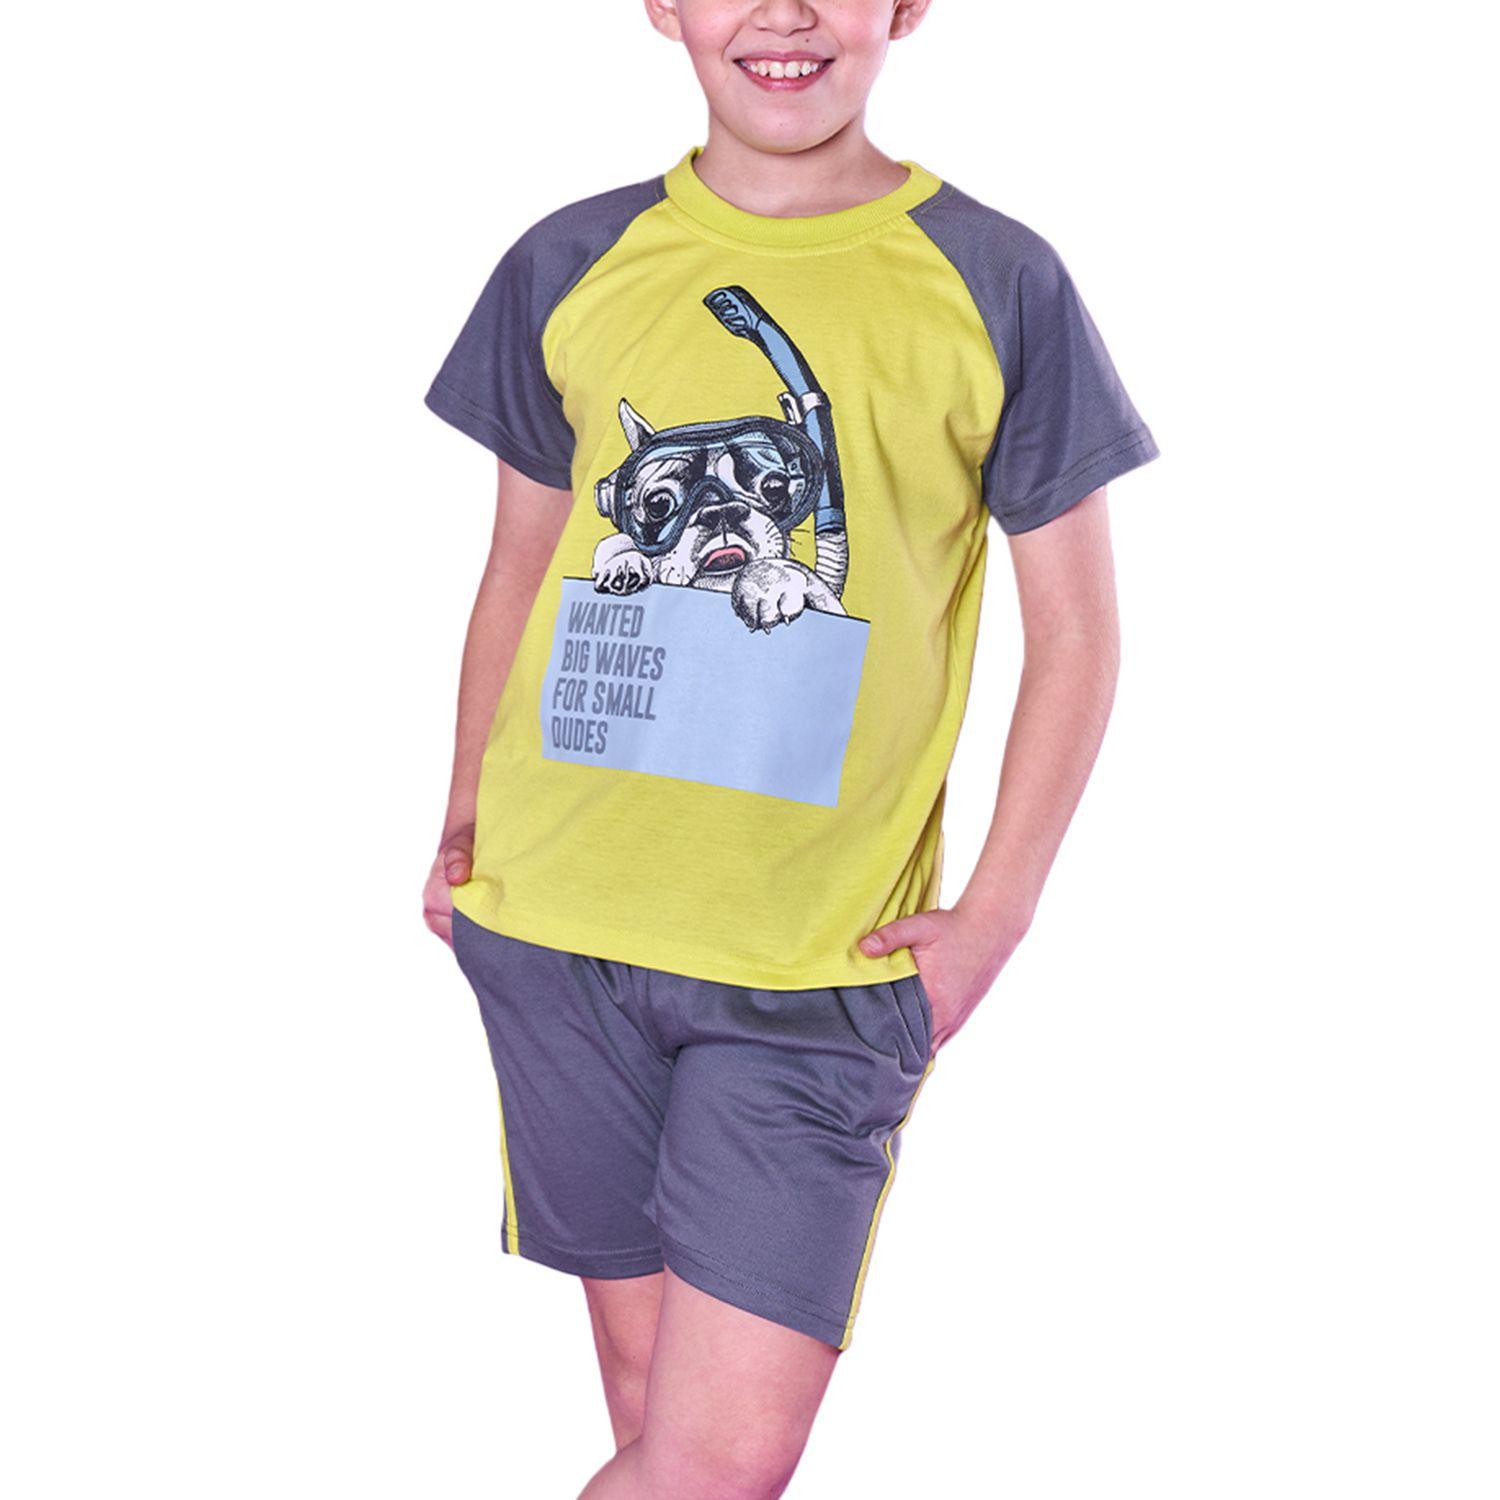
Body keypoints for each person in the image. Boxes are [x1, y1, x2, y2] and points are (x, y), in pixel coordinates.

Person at [421, 2, 1157, 1493]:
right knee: (656, 1424)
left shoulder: (997, 278)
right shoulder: (569, 258)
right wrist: (462, 827)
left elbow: (1076, 634)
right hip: (560, 922)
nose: (784, 13)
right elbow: (519, 564)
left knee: (713, 1465)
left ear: (905, 7)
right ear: (664, 6)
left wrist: (996, 917)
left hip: (820, 958)